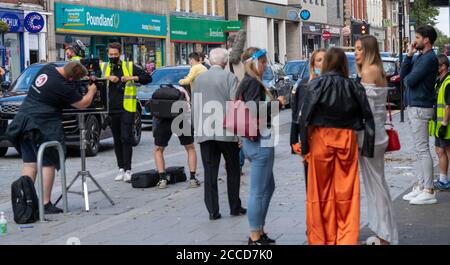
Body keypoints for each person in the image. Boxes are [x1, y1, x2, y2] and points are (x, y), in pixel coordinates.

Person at [300, 47, 375, 245]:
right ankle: (346, 238)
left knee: (319, 191)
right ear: (343, 64)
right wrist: (367, 148)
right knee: (346, 191)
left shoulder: (316, 84)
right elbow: (368, 116)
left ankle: (321, 237)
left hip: (320, 138)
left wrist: (305, 148)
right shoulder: (353, 86)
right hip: (346, 138)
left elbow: (304, 118)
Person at [6, 62, 97, 214]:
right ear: (70, 78)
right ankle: (45, 203)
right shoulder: (62, 86)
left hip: (23, 120)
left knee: (30, 164)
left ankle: (26, 201)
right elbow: (83, 103)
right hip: (41, 125)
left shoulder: (47, 68)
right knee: (49, 162)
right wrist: (92, 91)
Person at [237, 47, 286, 245]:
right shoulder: (252, 83)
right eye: (263, 62)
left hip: (253, 140)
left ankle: (260, 230)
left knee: (268, 186)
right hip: (259, 141)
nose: (266, 66)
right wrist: (279, 104)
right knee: (258, 190)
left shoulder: (247, 82)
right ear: (254, 63)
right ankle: (255, 236)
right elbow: (255, 109)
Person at [192, 48, 246, 220]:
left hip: (205, 131)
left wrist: (197, 129)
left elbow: (195, 105)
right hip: (226, 132)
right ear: (225, 61)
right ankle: (234, 206)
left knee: (209, 172)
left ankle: (213, 211)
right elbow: (234, 105)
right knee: (233, 169)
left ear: (210, 61)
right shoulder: (230, 77)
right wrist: (238, 134)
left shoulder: (199, 79)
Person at [355, 35, 399, 245]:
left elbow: (361, 107)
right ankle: (384, 233)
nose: (355, 53)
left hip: (369, 137)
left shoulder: (368, 71)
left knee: (376, 187)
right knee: (378, 185)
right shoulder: (377, 70)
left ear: (368, 50)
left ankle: (384, 236)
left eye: (358, 49)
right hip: (378, 134)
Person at [100, 42, 152, 183]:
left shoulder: (128, 66)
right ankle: (120, 169)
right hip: (112, 109)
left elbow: (147, 78)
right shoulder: (104, 67)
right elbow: (93, 79)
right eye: (110, 55)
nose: (113, 57)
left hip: (127, 108)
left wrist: (131, 78)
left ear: (120, 54)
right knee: (116, 140)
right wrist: (107, 78)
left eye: (115, 55)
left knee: (125, 138)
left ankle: (128, 169)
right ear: (107, 54)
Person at [400, 26, 439, 205]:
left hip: (420, 106)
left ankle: (429, 190)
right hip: (415, 105)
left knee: (422, 150)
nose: (414, 41)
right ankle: (422, 185)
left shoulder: (429, 59)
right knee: (418, 149)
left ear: (426, 40)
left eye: (417, 37)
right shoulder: (420, 57)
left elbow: (410, 80)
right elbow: (403, 76)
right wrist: (408, 56)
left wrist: (408, 77)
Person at [290, 48, 326, 189]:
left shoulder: (333, 84)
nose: (322, 63)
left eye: (325, 60)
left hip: (327, 140)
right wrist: (293, 140)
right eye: (319, 60)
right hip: (309, 140)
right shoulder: (305, 85)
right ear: (313, 65)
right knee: (311, 184)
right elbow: (297, 113)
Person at [430, 55, 450, 191]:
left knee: (448, 151)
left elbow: (448, 105)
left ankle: (444, 180)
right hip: (440, 126)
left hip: (446, 126)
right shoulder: (439, 81)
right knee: (440, 150)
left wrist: (444, 123)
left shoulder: (448, 82)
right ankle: (443, 180)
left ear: (443, 67)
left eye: (436, 66)